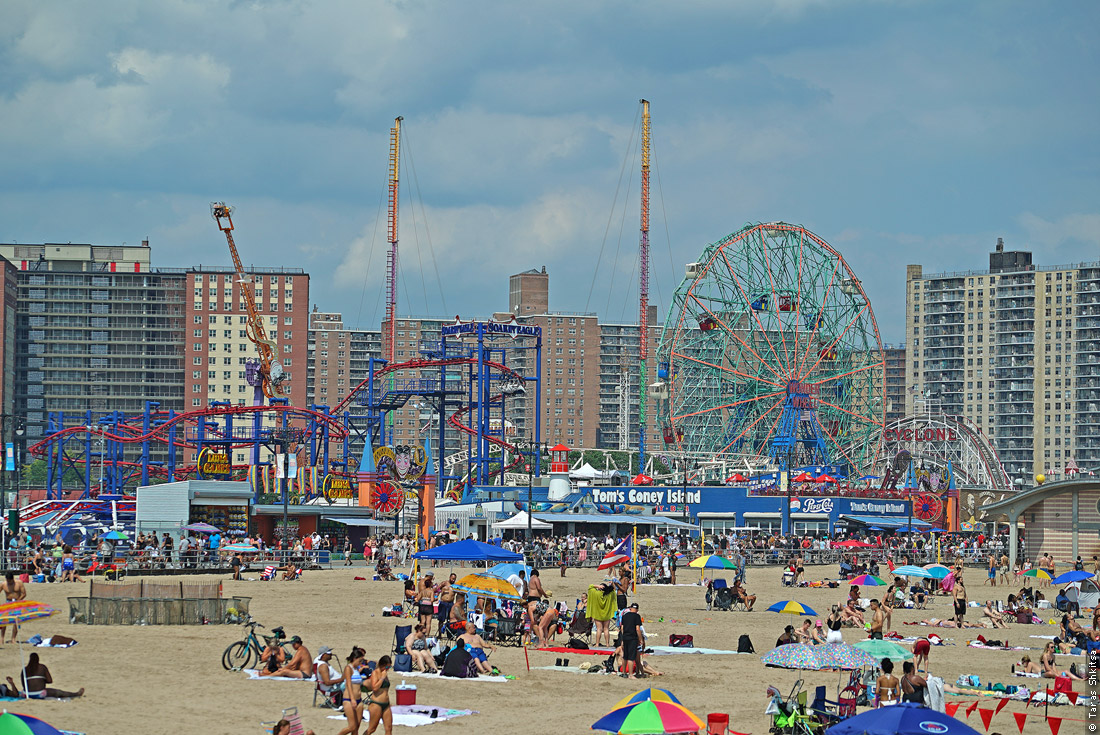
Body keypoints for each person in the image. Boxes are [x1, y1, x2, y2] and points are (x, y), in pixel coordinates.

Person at [336, 647, 367, 735]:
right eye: (360, 661)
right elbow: (348, 685)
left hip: (359, 700)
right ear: (354, 658)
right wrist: (353, 699)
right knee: (352, 726)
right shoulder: (348, 668)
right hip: (349, 700)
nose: (360, 663)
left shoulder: (357, 669)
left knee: (356, 727)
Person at [364, 655, 394, 735]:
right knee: (372, 729)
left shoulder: (385, 673)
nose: (388, 669)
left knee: (389, 728)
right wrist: (382, 678)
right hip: (376, 704)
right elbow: (374, 688)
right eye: (387, 667)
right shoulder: (375, 673)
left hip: (386, 704)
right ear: (382, 665)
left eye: (389, 667)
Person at [0, 572, 27, 644]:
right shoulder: (3, 584)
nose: (9, 582)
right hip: (8, 602)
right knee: (4, 621)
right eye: (8, 581)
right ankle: (2, 638)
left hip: (17, 602)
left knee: (16, 621)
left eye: (10, 581)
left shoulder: (19, 583)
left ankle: (13, 639)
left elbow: (24, 593)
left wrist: (18, 601)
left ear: (13, 579)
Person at [619, 602, 643, 679]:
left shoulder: (625, 616)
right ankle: (630, 674)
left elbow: (622, 628)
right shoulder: (637, 616)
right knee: (631, 657)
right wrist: (640, 639)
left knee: (625, 656)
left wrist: (622, 638)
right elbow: (637, 629)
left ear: (630, 608)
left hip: (625, 637)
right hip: (632, 638)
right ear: (637, 610)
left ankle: (623, 673)